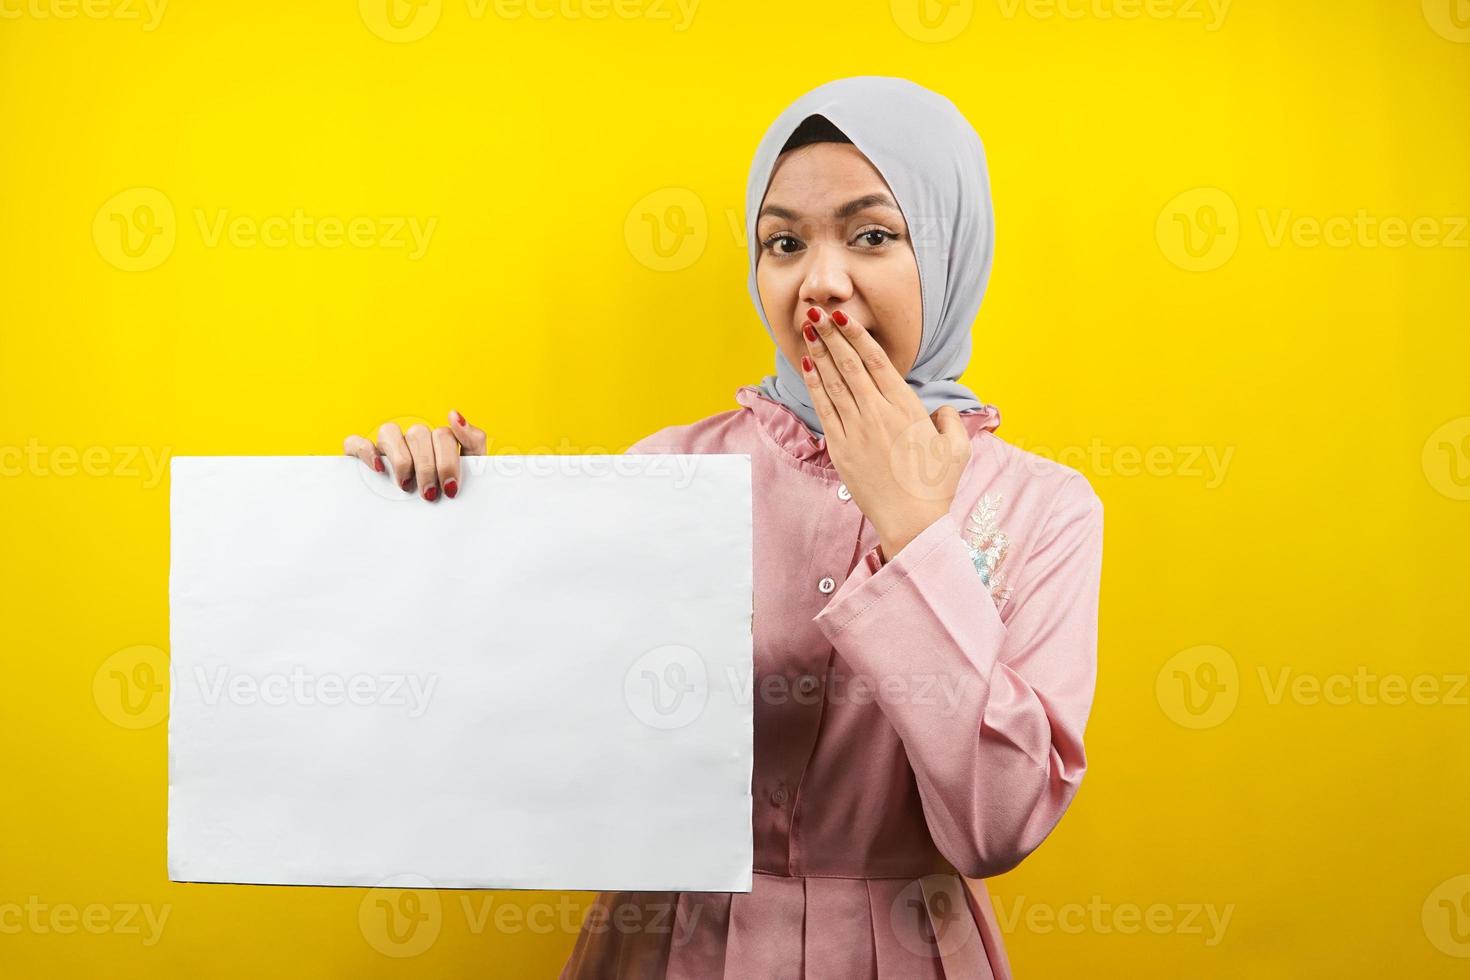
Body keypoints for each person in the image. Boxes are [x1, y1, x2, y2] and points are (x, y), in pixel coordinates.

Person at [344, 75, 1103, 979]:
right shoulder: (669, 473)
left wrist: (913, 534)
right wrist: (448, 524)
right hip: (670, 949)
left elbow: (1000, 822)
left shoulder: (1045, 507)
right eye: (783, 242)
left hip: (903, 953)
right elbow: (523, 732)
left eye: (873, 234)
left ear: (951, 253)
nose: (821, 281)